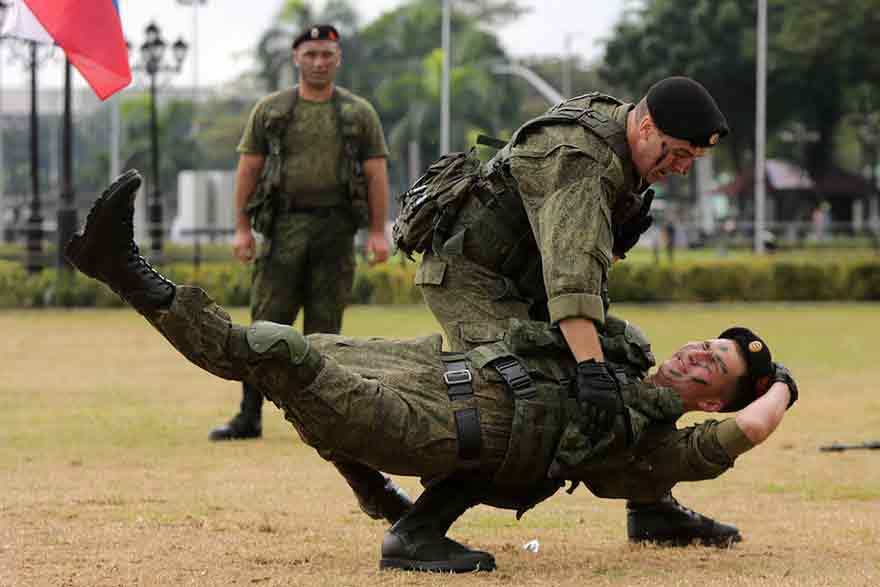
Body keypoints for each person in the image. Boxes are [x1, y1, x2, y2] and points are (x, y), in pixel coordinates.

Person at [64, 170, 798, 573]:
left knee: (275, 353)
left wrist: (783, 388)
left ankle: (126, 272)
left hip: (435, 426)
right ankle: (402, 521)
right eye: (707, 343)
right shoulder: (619, 347)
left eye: (715, 366)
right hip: (425, 364)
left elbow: (742, 436)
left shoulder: (655, 443)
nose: (697, 353)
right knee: (303, 354)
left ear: (714, 399)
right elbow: (552, 290)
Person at [394, 76, 738, 550]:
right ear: (645, 124)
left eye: (691, 161)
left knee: (627, 362)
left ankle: (652, 506)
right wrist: (590, 370)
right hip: (471, 275)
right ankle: (417, 531)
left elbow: (587, 266)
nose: (680, 168)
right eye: (676, 153)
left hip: (529, 275)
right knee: (526, 397)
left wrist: (605, 365)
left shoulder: (622, 139)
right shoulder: (582, 161)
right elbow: (571, 278)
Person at [211, 23, 391, 442]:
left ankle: (324, 421)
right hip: (283, 229)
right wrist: (241, 228)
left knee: (326, 332)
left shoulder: (358, 114)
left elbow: (376, 174)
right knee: (264, 327)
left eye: (327, 54)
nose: (318, 62)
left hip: (336, 229)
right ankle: (248, 416)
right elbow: (248, 169)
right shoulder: (272, 111)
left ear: (338, 58)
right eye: (310, 54)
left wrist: (378, 232)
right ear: (296, 58)